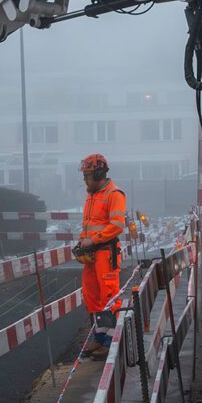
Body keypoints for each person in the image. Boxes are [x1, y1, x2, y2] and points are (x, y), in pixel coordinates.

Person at [74, 153, 127, 360]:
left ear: (98, 173)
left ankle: (113, 342)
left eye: (88, 175)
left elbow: (116, 226)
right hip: (92, 254)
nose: (85, 180)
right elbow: (87, 224)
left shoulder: (114, 194)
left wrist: (93, 240)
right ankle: (99, 336)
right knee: (91, 296)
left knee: (108, 296)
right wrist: (82, 241)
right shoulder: (92, 194)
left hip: (106, 253)